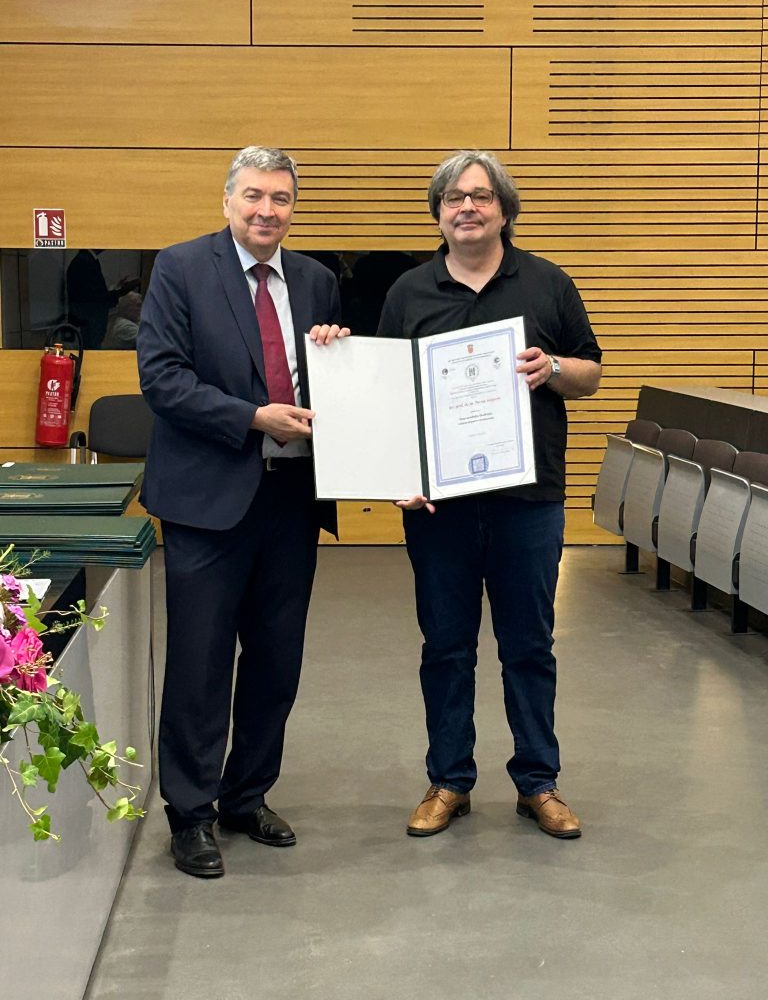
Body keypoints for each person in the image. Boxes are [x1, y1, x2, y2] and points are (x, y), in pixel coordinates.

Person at [377, 150, 602, 840]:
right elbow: (388, 395)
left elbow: (590, 374)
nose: (466, 207)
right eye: (453, 198)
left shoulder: (548, 283)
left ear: (504, 209)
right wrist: (398, 475)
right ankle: (449, 780)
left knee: (528, 645)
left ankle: (538, 782)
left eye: (480, 196)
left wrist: (552, 366)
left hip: (529, 502)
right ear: (438, 212)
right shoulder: (408, 291)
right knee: (445, 646)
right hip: (439, 508)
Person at [137, 146, 348, 878]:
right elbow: (162, 378)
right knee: (198, 665)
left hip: (291, 499)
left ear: (293, 208)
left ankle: (246, 795)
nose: (267, 210)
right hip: (206, 502)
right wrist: (253, 417)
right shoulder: (180, 268)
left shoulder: (318, 281)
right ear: (228, 200)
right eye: (254, 195)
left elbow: (333, 385)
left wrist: (338, 356)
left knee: (275, 660)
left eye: (281, 198)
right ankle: (190, 813)